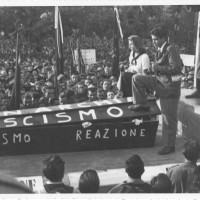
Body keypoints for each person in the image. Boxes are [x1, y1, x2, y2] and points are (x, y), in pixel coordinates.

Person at [129, 24, 183, 155]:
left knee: (168, 119)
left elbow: (177, 68)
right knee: (136, 78)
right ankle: (141, 104)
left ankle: (169, 146)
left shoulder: (171, 49)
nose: (154, 42)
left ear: (164, 38)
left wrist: (158, 68)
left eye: (156, 39)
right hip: (160, 82)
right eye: (152, 39)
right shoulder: (160, 50)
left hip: (169, 89)